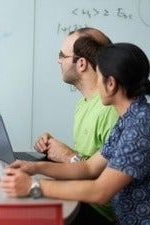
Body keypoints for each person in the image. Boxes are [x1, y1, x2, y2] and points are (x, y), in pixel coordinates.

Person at [0, 43, 150, 225]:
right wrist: (34, 167)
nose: (95, 84)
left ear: (111, 84)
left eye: (99, 77)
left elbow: (100, 192)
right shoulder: (130, 118)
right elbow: (89, 168)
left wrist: (33, 186)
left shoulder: (142, 126)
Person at [34, 28, 119, 224]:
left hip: (103, 212)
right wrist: (54, 151)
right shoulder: (83, 105)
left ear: (81, 63)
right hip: (86, 197)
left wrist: (66, 156)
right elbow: (91, 163)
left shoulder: (112, 108)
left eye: (62, 56)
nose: (58, 61)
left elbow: (112, 180)